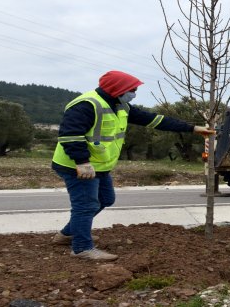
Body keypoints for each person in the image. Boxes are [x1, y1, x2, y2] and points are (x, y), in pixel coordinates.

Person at [51, 70, 214, 261]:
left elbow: (154, 120)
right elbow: (70, 135)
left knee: (106, 199)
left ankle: (69, 234)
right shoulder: (87, 104)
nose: (134, 93)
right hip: (77, 165)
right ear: (117, 89)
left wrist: (192, 128)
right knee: (86, 205)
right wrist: (82, 162)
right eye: (132, 89)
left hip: (99, 165)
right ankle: (81, 247)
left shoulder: (121, 106)